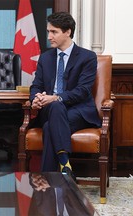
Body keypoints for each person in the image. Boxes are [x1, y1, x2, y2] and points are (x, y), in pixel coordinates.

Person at [29, 12, 101, 180]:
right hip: (50, 109)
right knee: (54, 107)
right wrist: (36, 99)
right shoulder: (45, 58)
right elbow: (36, 85)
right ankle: (64, 166)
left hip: (78, 110)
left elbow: (83, 90)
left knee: (49, 126)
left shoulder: (87, 57)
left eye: (54, 32)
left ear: (68, 32)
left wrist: (56, 98)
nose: (49, 36)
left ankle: (47, 178)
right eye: (48, 32)